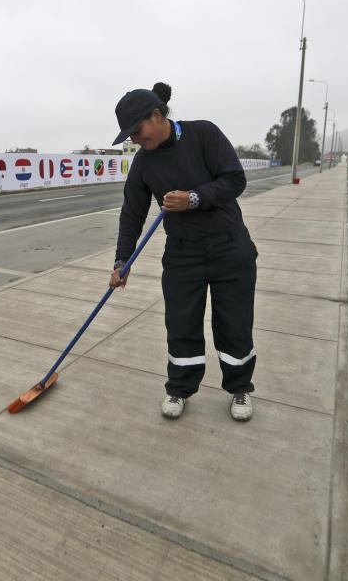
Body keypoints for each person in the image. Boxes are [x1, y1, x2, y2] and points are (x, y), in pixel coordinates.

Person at [109, 82, 258, 421]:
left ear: (157, 116)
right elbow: (132, 213)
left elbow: (235, 180)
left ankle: (239, 389)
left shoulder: (204, 134)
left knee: (234, 323)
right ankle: (179, 389)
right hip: (182, 254)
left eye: (136, 130)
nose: (134, 139)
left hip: (229, 247)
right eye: (129, 135)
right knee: (181, 324)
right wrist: (123, 260)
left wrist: (193, 198)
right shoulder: (144, 163)